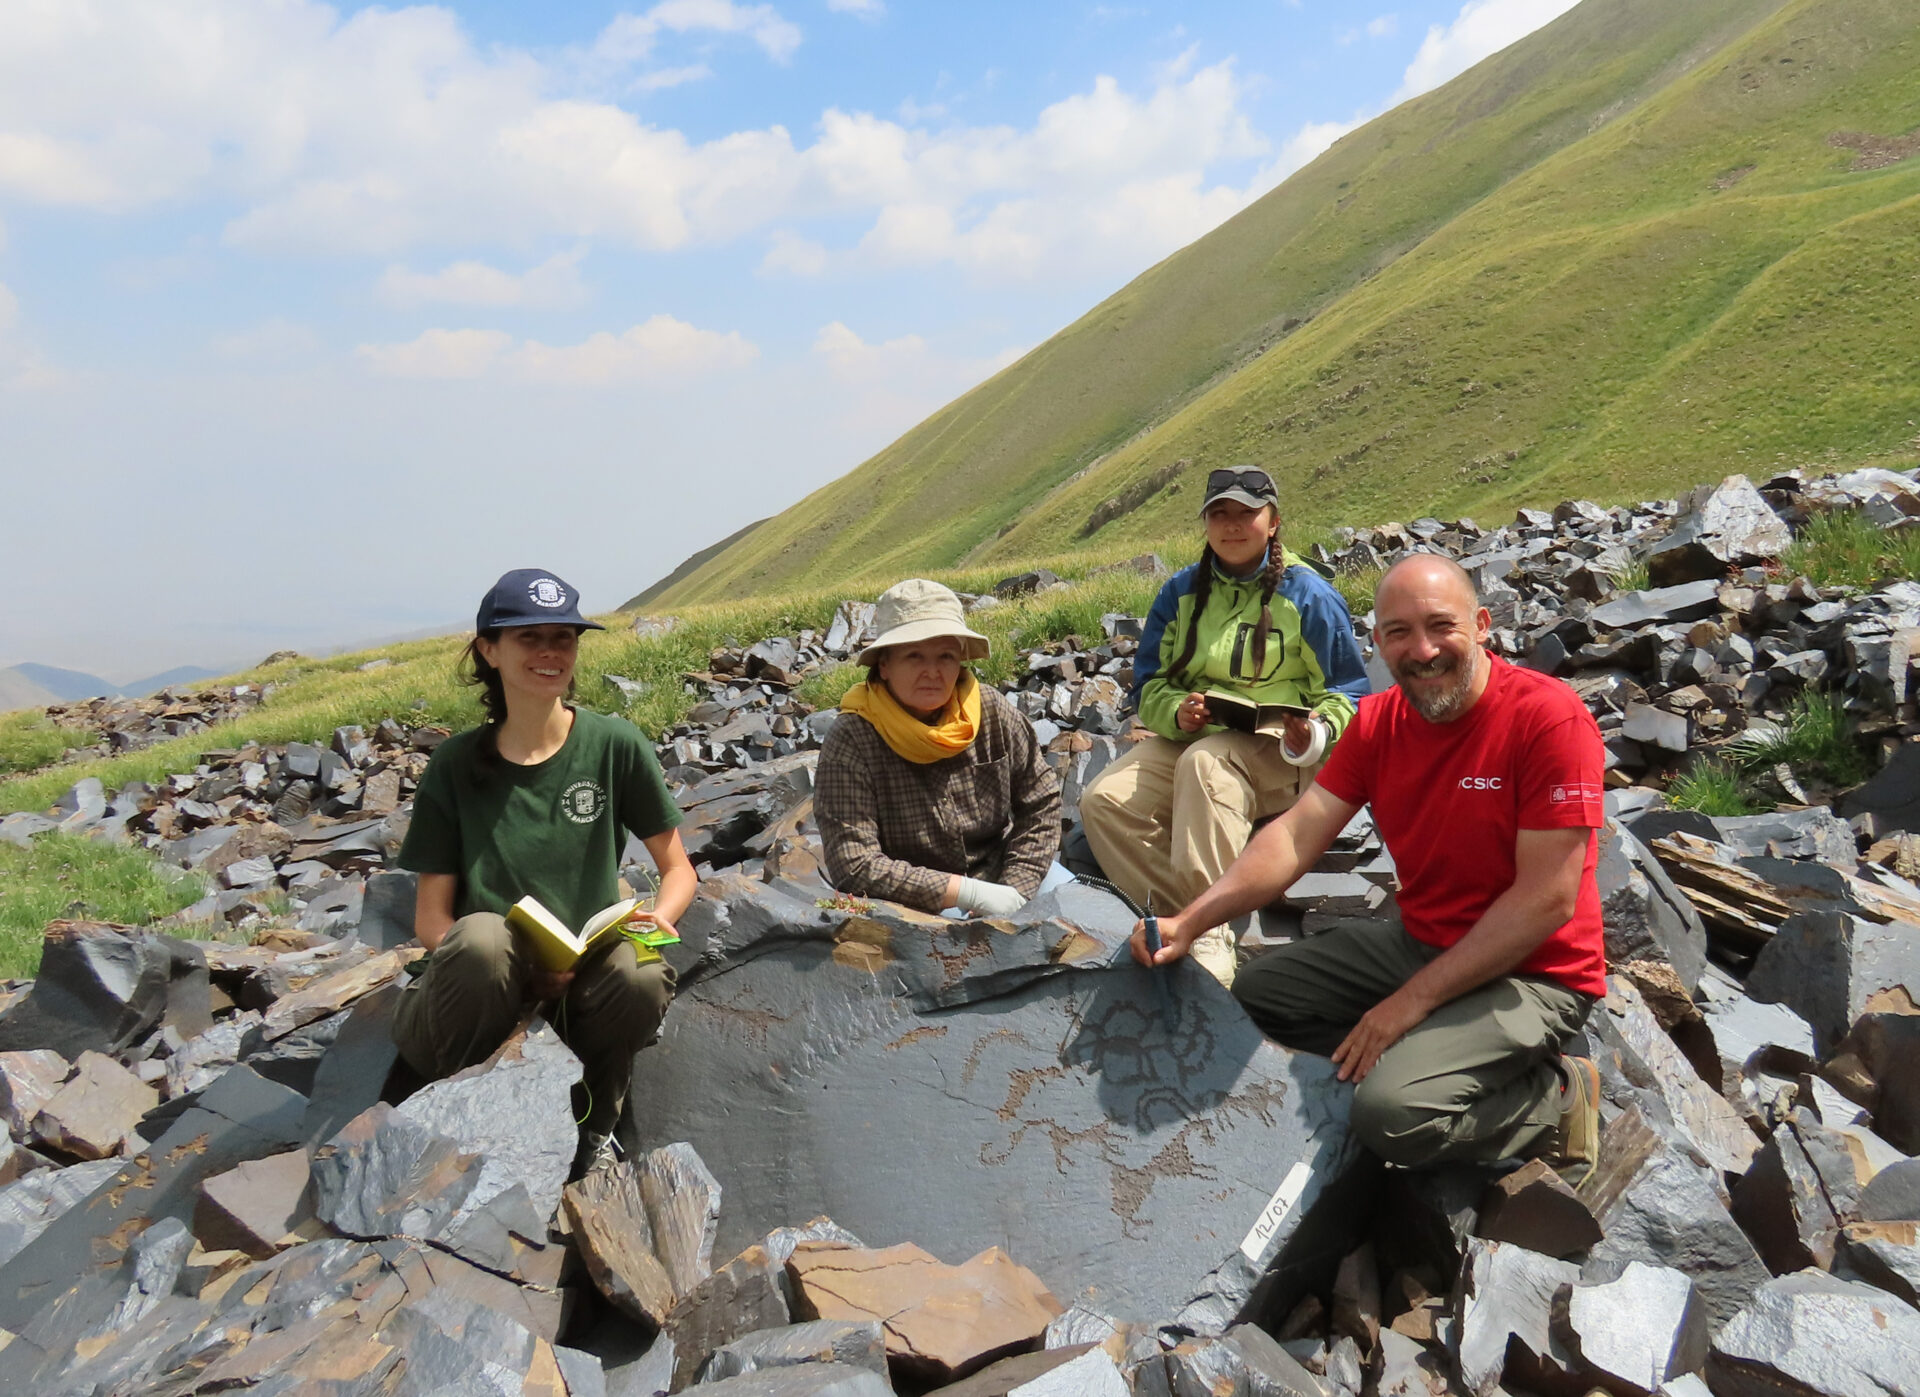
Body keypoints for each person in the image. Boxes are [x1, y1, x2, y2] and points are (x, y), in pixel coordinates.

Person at [1134, 552, 1606, 1180]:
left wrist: (1406, 1006)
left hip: (1535, 972)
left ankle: (1558, 1095)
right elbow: (1297, 834)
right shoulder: (1378, 723)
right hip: (1425, 942)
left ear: (1484, 625)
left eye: (1442, 626)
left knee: (1391, 1115)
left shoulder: (1548, 719)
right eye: (1399, 633)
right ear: (1378, 643)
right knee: (1256, 997)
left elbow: (1547, 900)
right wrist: (1191, 920)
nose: (1424, 649)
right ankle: (1430, 1057)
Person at [393, 568, 697, 1175]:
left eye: (565, 636)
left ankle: (592, 1127)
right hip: (484, 986)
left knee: (640, 971)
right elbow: (432, 919)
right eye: (529, 637)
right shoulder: (455, 765)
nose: (551, 651)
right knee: (481, 940)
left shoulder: (615, 745)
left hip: (582, 978)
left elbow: (678, 871)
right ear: (489, 649)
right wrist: (520, 968)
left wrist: (651, 924)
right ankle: (463, 1115)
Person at [1079, 466, 1369, 986]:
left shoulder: (1310, 595)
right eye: (1220, 514)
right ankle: (1173, 920)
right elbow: (1149, 684)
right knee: (1104, 799)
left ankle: (1210, 943)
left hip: (1283, 748)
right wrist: (1176, 711)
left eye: (1246, 514)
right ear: (1207, 524)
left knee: (1207, 764)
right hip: (1198, 735)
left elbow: (1350, 691)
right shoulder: (1179, 592)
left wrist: (1318, 731)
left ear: (1274, 522)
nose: (1232, 526)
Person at [815, 578, 1063, 917]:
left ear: (960, 661)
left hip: (1005, 873)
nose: (932, 671)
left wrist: (1015, 888)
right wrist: (965, 893)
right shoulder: (852, 738)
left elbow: (1042, 803)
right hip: (912, 904)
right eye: (914, 655)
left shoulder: (991, 711)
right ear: (883, 665)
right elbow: (854, 864)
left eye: (945, 656)